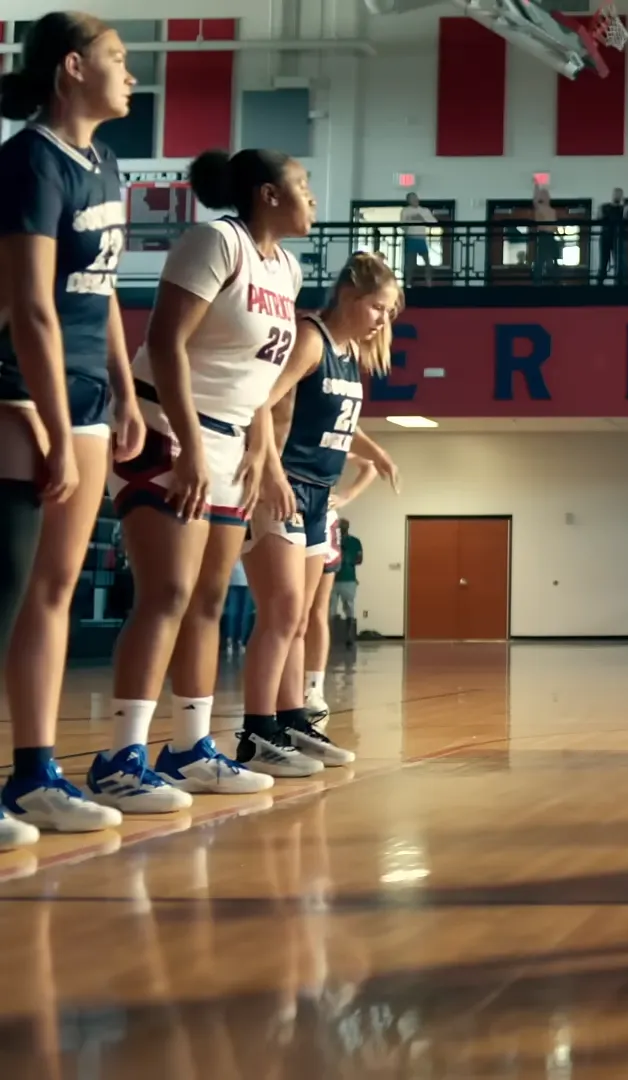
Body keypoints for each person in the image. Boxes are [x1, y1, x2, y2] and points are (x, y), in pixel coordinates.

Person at [91, 147, 313, 812]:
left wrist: (265, 456)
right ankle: (118, 759)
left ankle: (190, 748)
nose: (312, 195)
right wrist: (187, 446)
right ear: (268, 194)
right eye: (302, 184)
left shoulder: (290, 269)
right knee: (166, 593)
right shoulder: (216, 240)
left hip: (230, 443)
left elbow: (262, 388)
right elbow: (163, 341)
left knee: (211, 602)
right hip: (165, 427)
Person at [0, 12, 142, 848]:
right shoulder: (27, 162)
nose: (131, 75)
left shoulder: (106, 163)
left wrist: (123, 392)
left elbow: (105, 290)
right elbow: (30, 307)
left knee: (55, 589)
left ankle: (35, 773)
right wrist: (55, 424)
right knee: (8, 592)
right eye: (118, 60)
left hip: (87, 395)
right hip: (20, 392)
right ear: (70, 69)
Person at [238, 252, 400, 777]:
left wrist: (372, 450)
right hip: (282, 485)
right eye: (379, 307)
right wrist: (270, 472)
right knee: (282, 611)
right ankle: (256, 731)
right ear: (351, 297)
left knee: (304, 618)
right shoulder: (310, 338)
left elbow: (337, 417)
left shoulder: (352, 352)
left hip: (318, 491)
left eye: (389, 312)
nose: (384, 320)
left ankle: (290, 719)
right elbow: (259, 401)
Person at [303, 460, 372, 729]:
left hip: (320, 519)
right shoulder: (282, 431)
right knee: (292, 616)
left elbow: (370, 464)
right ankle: (283, 701)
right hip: (287, 512)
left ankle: (313, 692)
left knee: (319, 613)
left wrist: (346, 495)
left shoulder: (332, 435)